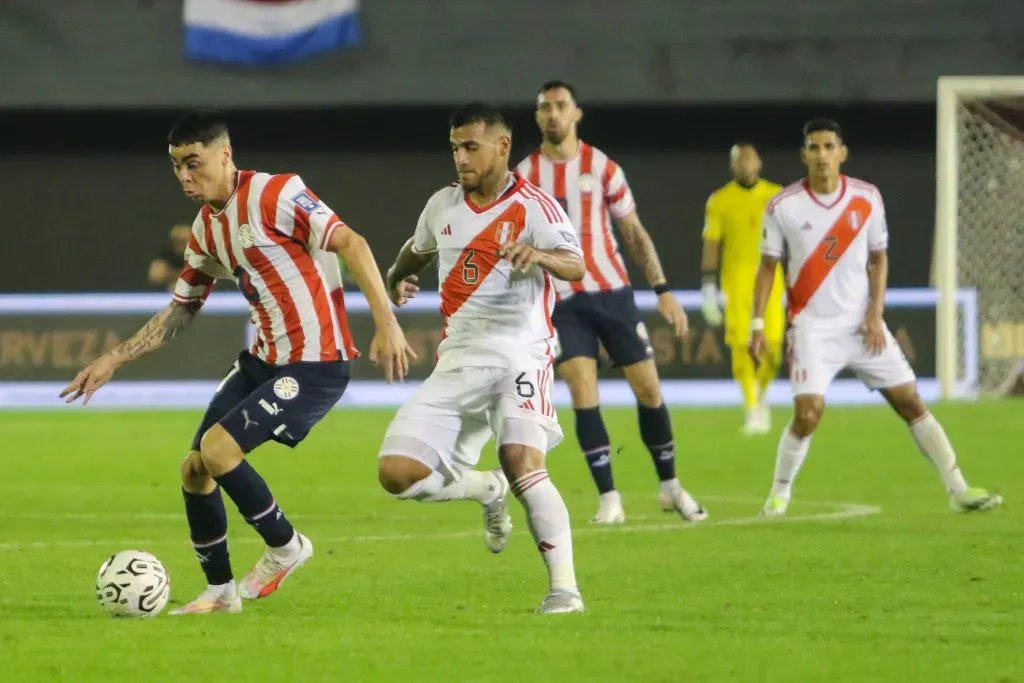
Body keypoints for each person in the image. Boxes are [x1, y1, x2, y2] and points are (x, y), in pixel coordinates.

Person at [61, 110, 415, 615]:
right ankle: (220, 592)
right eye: (176, 166)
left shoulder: (277, 193)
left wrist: (387, 321)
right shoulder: (206, 229)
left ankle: (287, 546)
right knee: (195, 469)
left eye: (194, 162)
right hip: (263, 362)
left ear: (225, 154)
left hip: (315, 363)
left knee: (219, 449)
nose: (185, 176)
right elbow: (183, 308)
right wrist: (114, 358)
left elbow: (351, 243)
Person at [378, 102, 588, 614]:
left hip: (522, 354)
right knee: (397, 474)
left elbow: (575, 262)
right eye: (455, 147)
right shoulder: (443, 205)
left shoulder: (535, 207)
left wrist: (538, 255)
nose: (461, 158)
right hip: (458, 360)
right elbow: (416, 250)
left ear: (502, 147)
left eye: (471, 147)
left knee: (521, 459)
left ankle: (565, 589)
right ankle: (486, 489)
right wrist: (395, 278)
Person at [749, 118, 1002, 516]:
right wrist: (758, 323)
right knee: (808, 414)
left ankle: (958, 488)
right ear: (803, 156)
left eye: (829, 147)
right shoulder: (783, 206)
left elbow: (878, 258)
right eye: (813, 148)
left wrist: (874, 314)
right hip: (812, 328)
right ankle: (779, 494)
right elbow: (767, 267)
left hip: (863, 327)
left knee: (911, 402)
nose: (822, 155)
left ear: (842, 153)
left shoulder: (867, 198)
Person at [515, 80, 706, 525]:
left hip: (613, 294)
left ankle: (670, 486)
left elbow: (633, 232)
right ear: (538, 116)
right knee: (584, 392)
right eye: (545, 108)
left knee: (650, 389)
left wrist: (661, 290)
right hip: (562, 300)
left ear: (577, 113)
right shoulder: (524, 175)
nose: (553, 114)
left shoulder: (602, 168)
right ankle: (610, 499)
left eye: (561, 106)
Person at [701, 144, 785, 434]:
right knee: (740, 347)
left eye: (749, 159)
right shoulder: (720, 200)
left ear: (759, 162)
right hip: (736, 283)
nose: (745, 165)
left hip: (771, 283)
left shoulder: (776, 196)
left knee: (772, 347)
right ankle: (752, 409)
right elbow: (712, 243)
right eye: (738, 160)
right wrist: (708, 286)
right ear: (732, 165)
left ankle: (761, 396)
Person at [148, 224, 192, 290]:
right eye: (183, 241)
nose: (188, 244)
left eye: (192, 240)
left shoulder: (204, 259)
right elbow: (156, 276)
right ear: (175, 244)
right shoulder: (165, 259)